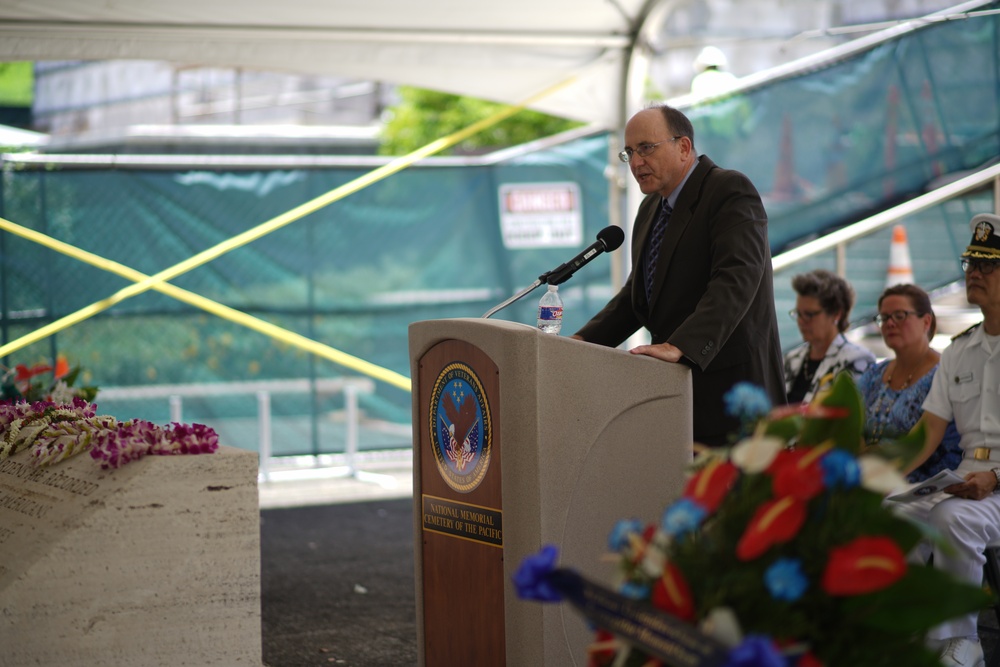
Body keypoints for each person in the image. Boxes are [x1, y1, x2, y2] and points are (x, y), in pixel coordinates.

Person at [570, 104, 785, 447]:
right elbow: (636, 298)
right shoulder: (651, 208)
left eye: (646, 148)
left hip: (736, 401)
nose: (636, 162)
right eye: (630, 152)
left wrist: (681, 346)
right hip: (677, 401)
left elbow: (736, 277)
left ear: (683, 147)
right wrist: (579, 345)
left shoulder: (728, 190)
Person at [899, 213, 1000, 666]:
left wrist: (994, 477)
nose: (974, 273)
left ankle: (964, 642)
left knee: (953, 519)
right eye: (970, 263)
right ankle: (914, 630)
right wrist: (874, 472)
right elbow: (927, 433)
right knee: (889, 512)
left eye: (988, 265)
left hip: (997, 485)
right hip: (963, 477)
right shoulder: (960, 349)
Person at [856, 283, 961, 482]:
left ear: (926, 322)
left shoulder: (943, 374)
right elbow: (853, 428)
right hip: (869, 480)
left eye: (900, 315)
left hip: (925, 488)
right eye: (884, 318)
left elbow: (923, 443)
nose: (890, 323)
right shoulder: (874, 374)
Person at [782, 269, 875, 403]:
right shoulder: (791, 359)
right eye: (798, 314)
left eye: (809, 315)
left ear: (836, 314)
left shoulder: (856, 359)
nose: (801, 321)